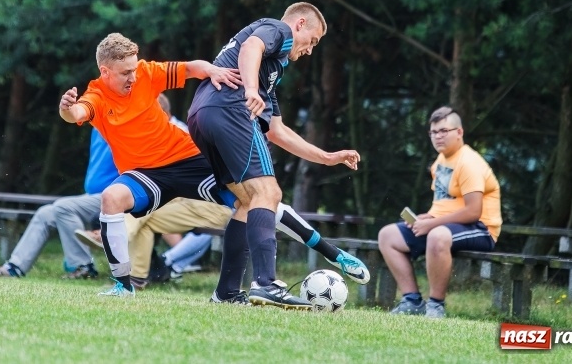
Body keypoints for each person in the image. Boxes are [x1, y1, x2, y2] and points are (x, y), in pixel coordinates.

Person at [59, 32, 369, 299]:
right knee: (112, 199)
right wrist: (66, 108)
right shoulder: (96, 96)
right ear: (105, 71)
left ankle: (333, 254)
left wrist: (214, 72)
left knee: (256, 199)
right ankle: (123, 286)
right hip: (145, 174)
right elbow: (76, 114)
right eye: (125, 72)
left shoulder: (146, 72)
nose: (133, 76)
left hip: (189, 160)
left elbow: (191, 68)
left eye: (134, 68)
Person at [188, 2, 362, 309]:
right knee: (269, 192)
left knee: (247, 201)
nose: (310, 50)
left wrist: (327, 157)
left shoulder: (271, 73)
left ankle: (227, 293)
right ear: (300, 24)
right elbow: (252, 47)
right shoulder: (279, 30)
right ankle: (266, 284)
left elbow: (277, 131)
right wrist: (250, 90)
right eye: (313, 40)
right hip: (230, 109)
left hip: (203, 115)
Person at [377, 106, 502, 318]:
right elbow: (444, 202)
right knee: (387, 235)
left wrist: (433, 224)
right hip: (447, 224)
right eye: (433, 132)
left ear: (459, 132)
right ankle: (412, 301)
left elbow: (473, 211)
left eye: (444, 131)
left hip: (481, 228)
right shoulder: (441, 160)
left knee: (437, 235)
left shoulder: (469, 163)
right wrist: (427, 217)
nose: (438, 137)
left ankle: (435, 305)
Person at [0, 128, 116, 279]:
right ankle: (14, 267)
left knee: (63, 207)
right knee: (45, 214)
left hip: (115, 197)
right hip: (93, 196)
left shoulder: (125, 119)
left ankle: (84, 267)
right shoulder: (97, 120)